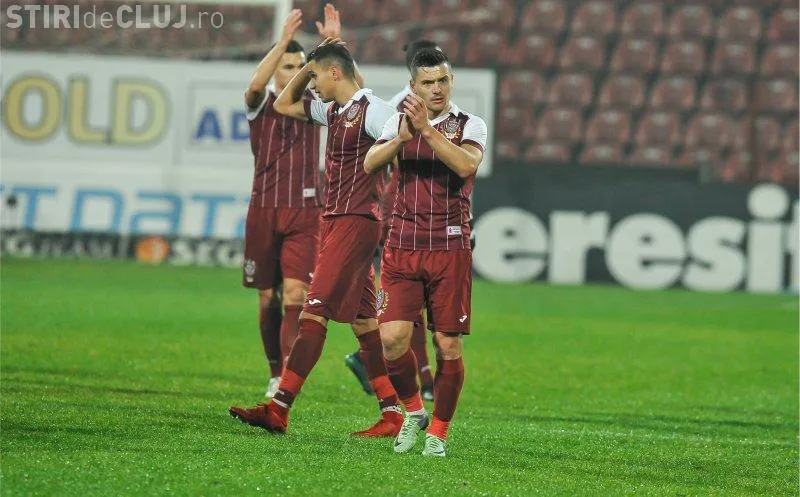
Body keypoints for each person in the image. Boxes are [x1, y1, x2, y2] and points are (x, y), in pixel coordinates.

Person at [229, 39, 403, 437]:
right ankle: (392, 412)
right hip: (336, 222)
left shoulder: (373, 110)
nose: (312, 85)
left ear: (335, 73)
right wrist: (310, 66)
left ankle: (279, 408)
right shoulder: (333, 110)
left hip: (355, 223)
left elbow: (401, 147)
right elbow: (283, 104)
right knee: (364, 322)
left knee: (313, 313)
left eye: (316, 77)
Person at [363, 48, 487, 457]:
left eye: (443, 81)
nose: (437, 89)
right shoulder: (399, 121)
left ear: (451, 82)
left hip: (449, 248)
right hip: (402, 246)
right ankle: (414, 413)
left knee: (447, 345)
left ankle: (438, 432)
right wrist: (402, 137)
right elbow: (370, 163)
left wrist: (426, 132)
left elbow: (466, 166)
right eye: (428, 82)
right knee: (391, 339)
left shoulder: (470, 124)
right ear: (413, 86)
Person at [344, 39, 443, 402]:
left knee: (415, 298)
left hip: (421, 212)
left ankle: (379, 360)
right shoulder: (402, 107)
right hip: (402, 210)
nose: (438, 81)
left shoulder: (434, 107)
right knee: (410, 296)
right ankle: (420, 377)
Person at [241, 9, 323, 398]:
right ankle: (274, 371)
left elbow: (355, 90)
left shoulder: (316, 103)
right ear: (276, 68)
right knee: (266, 295)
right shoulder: (260, 103)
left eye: (299, 65)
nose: (293, 71)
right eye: (287, 65)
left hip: (305, 212)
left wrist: (332, 44)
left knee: (295, 294)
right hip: (264, 209)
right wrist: (283, 42)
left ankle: (287, 379)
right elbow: (254, 84)